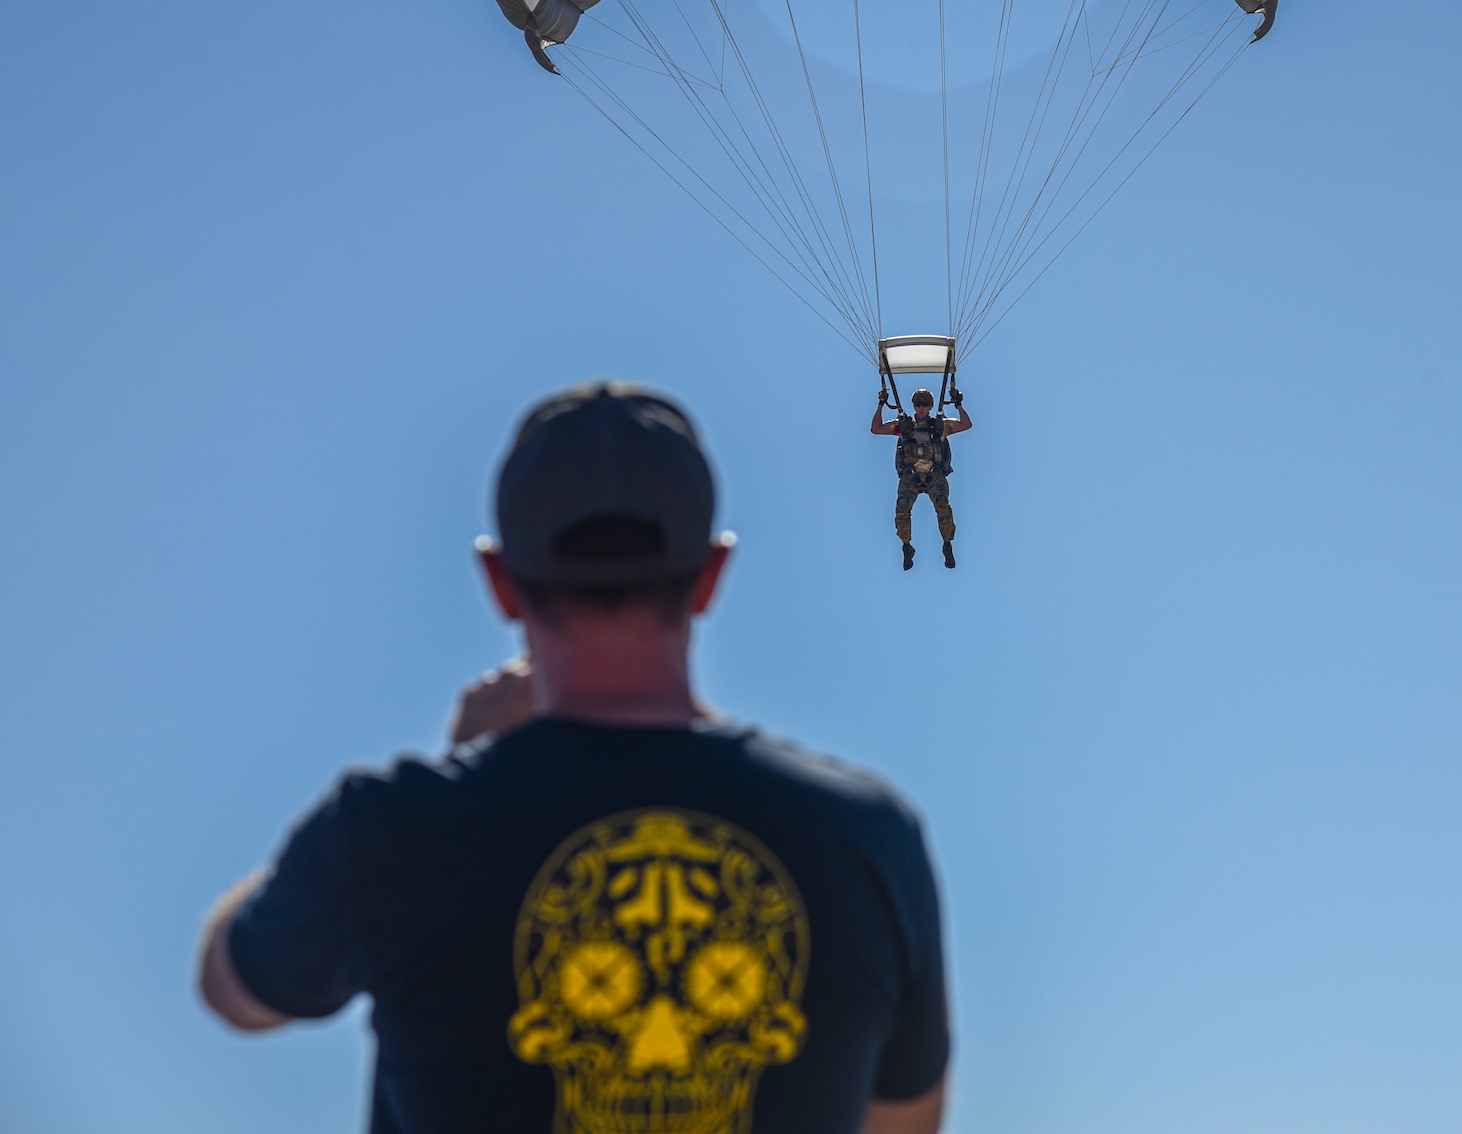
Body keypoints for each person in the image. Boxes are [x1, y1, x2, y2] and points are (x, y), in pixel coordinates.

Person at [198, 382, 950, 1134]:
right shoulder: (870, 836)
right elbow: (905, 1126)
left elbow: (233, 987)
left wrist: (457, 778)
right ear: (712, 576)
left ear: (499, 584)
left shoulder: (385, 830)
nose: (658, 1052)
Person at [869, 386, 971, 571]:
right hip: (911, 475)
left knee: (942, 505)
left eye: (925, 404)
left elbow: (966, 424)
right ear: (914, 406)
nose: (921, 408)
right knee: (901, 509)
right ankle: (907, 546)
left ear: (931, 406)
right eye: (918, 404)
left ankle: (947, 544)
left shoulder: (940, 426)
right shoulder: (904, 427)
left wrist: (958, 404)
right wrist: (881, 404)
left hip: (934, 474)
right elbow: (876, 429)